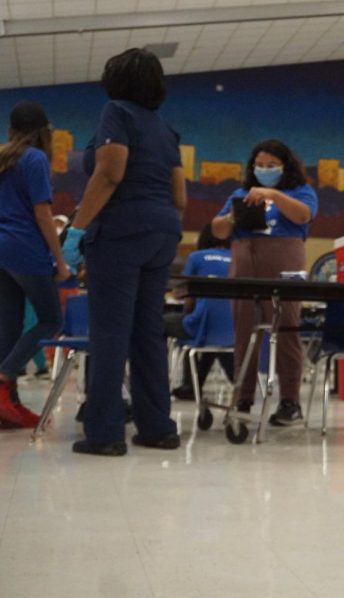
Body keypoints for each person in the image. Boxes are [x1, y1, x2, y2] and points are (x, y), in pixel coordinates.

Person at [61, 48, 186, 456]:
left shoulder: (117, 112)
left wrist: (78, 229)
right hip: (163, 232)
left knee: (110, 331)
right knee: (147, 330)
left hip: (121, 232)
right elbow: (180, 197)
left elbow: (110, 172)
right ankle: (158, 428)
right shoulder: (166, 130)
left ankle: (104, 433)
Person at [211, 139, 317, 426]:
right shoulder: (241, 193)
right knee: (244, 332)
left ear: (285, 167)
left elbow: (303, 215)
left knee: (285, 331)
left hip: (283, 263)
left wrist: (272, 194)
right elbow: (217, 229)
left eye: (271, 166)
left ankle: (289, 401)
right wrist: (234, 215)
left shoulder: (300, 192)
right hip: (245, 263)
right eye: (259, 165)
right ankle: (243, 396)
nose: (264, 170)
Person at [0, 101, 67, 428]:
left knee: (9, 327)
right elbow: (42, 213)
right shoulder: (36, 158)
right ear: (44, 132)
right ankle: (3, 380)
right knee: (51, 318)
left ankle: (6, 405)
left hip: (1, 249)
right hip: (25, 247)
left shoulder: (2, 158)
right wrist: (59, 259)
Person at [166, 223, 234, 400]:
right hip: (235, 330)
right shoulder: (240, 258)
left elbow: (188, 298)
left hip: (204, 326)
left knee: (159, 323)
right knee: (210, 330)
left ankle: (157, 383)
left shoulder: (197, 257)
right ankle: (193, 385)